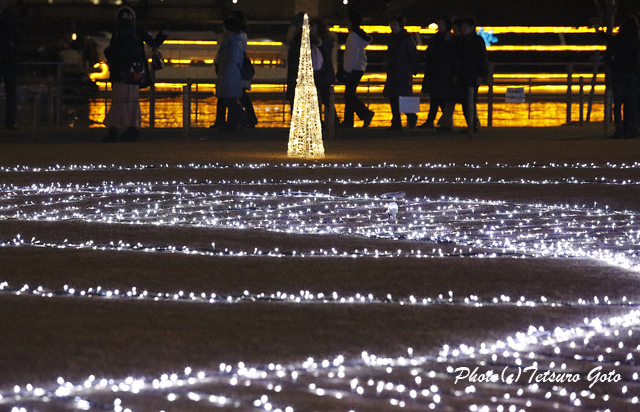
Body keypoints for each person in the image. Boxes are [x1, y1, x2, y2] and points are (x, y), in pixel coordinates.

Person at [103, 6, 167, 142]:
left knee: (118, 102)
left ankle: (113, 130)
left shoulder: (117, 32)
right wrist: (162, 34)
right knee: (132, 102)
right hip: (135, 73)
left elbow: (111, 53)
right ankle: (132, 129)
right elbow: (154, 44)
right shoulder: (137, 31)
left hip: (119, 74)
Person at [605, 16, 640, 139]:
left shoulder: (617, 40)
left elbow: (608, 56)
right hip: (632, 74)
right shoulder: (636, 40)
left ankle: (619, 130)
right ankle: (633, 129)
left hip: (618, 73)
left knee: (618, 103)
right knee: (631, 103)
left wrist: (614, 66)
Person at [452, 16, 488, 134]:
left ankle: (473, 123)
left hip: (472, 73)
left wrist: (480, 75)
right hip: (463, 73)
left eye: (465, 26)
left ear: (472, 28)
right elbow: (457, 58)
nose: (463, 29)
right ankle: (472, 123)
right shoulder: (461, 40)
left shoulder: (477, 40)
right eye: (462, 27)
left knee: (470, 99)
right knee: (464, 100)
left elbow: (482, 58)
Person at [383, 15, 419, 131]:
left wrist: (414, 69)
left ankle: (409, 117)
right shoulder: (395, 38)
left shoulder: (406, 39)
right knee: (394, 97)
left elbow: (413, 54)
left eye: (394, 24)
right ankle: (397, 122)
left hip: (403, 72)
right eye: (391, 24)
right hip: (395, 71)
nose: (392, 27)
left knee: (402, 97)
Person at [340, 10, 374, 128]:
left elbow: (350, 54)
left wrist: (346, 70)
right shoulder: (358, 35)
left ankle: (364, 114)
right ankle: (349, 120)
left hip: (353, 68)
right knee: (349, 95)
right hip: (358, 67)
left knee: (349, 95)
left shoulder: (353, 36)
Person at [418, 16, 454, 129]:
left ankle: (443, 121)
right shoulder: (439, 37)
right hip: (436, 71)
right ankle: (441, 121)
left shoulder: (448, 38)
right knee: (436, 97)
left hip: (442, 72)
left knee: (439, 97)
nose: (439, 26)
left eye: (442, 24)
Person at [213, 16, 246, 133]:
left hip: (230, 75)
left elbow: (233, 59)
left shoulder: (233, 41)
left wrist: (226, 71)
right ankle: (234, 123)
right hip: (230, 75)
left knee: (229, 100)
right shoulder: (235, 40)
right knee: (230, 100)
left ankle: (243, 119)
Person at [286, 11, 321, 111]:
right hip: (304, 74)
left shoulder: (296, 38)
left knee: (295, 102)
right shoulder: (307, 37)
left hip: (296, 74)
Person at [310, 17, 339, 129]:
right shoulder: (328, 39)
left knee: (323, 99)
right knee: (325, 99)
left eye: (313, 26)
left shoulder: (322, 41)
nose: (311, 29)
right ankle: (333, 121)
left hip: (322, 72)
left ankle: (327, 122)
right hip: (325, 72)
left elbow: (324, 58)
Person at [0, 2, 20, 130]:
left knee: (11, 92)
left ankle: (11, 121)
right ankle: (11, 121)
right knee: (11, 92)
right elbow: (18, 37)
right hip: (9, 58)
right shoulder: (9, 19)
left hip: (8, 58)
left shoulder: (8, 19)